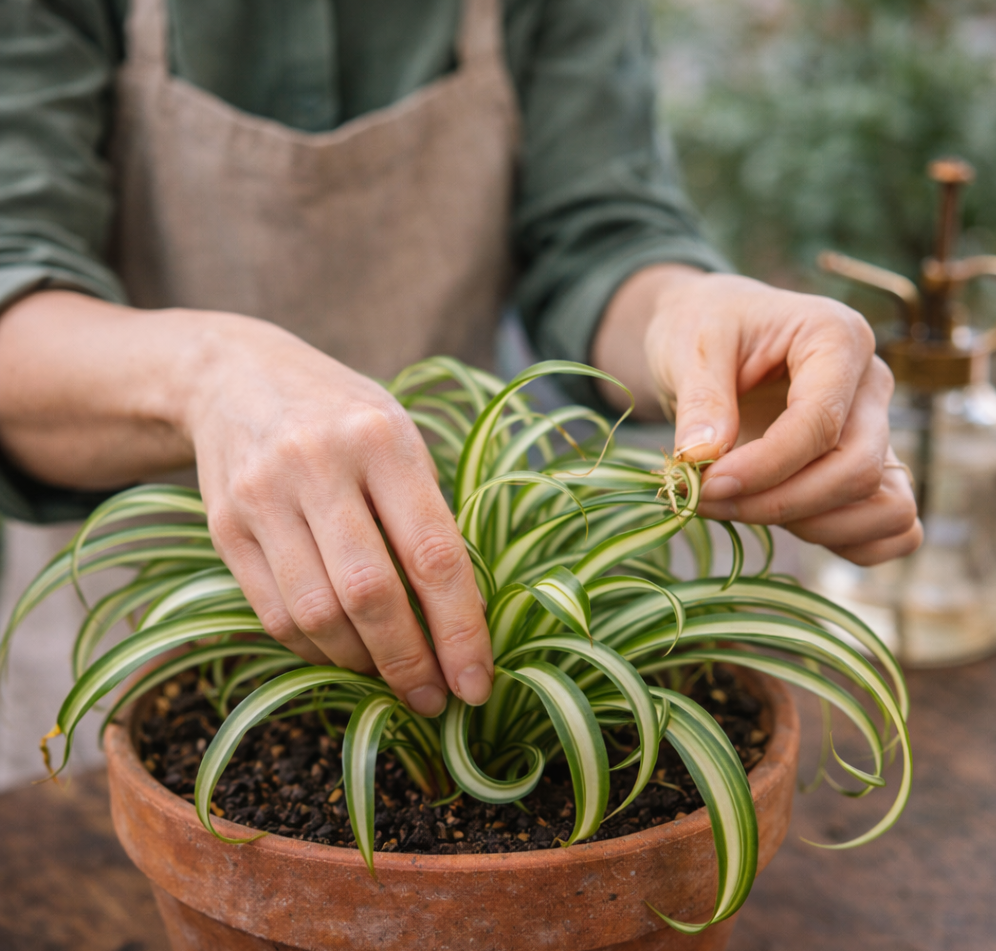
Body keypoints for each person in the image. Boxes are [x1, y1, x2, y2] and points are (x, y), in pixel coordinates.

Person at [0, 0, 919, 720]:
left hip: (466, 564)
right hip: (136, 616)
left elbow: (598, 229)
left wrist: (695, 319)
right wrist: (212, 375)